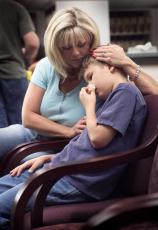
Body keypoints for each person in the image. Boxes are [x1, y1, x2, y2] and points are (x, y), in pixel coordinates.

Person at [0, 55, 147, 229]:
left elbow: (97, 139)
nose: (90, 86)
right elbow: (83, 143)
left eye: (91, 77)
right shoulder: (111, 97)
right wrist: (50, 159)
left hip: (78, 180)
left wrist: (89, 107)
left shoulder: (126, 92)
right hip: (61, 168)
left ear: (110, 66)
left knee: (2, 206)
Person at [0, 7, 157, 166]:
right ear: (56, 48)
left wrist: (126, 61)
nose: (76, 53)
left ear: (91, 40)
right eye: (66, 48)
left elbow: (154, 92)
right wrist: (68, 131)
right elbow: (28, 117)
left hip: (64, 146)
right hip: (32, 134)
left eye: (82, 44)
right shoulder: (46, 65)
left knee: (23, 165)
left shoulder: (102, 67)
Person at [0, 0, 40, 128]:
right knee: (19, 124)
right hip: (13, 73)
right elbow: (32, 43)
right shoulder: (14, 8)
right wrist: (23, 55)